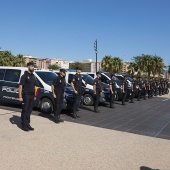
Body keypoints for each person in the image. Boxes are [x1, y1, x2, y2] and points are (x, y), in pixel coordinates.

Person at [19, 62, 36, 131]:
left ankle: (28, 124)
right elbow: (20, 86)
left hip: (32, 95)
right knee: (25, 110)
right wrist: (20, 96)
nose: (33, 67)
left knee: (29, 111)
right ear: (28, 66)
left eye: (33, 66)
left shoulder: (33, 76)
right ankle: (23, 125)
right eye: (32, 66)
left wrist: (34, 95)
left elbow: (34, 86)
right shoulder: (24, 76)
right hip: (26, 95)